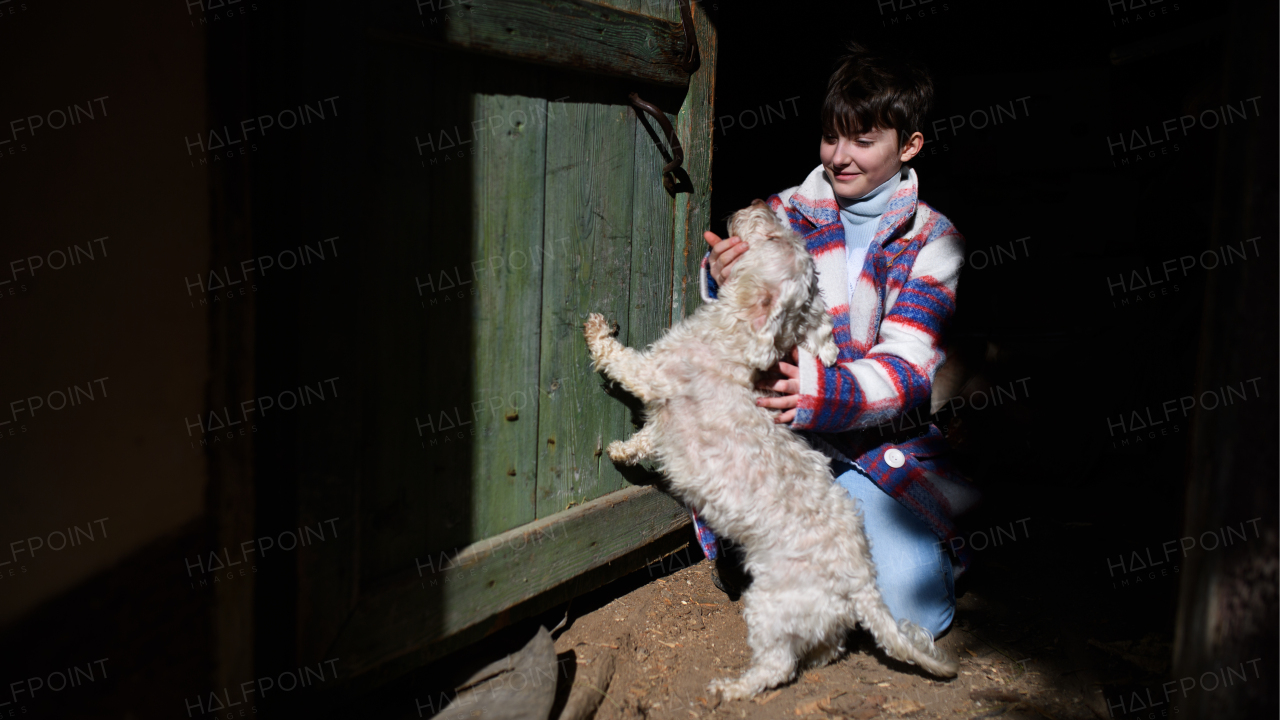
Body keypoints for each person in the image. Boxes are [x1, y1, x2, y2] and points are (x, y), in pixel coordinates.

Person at [693, 42, 980, 640]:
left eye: (863, 140)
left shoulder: (933, 241)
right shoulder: (782, 211)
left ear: (909, 146)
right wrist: (725, 277)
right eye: (830, 137)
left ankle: (926, 541)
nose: (839, 157)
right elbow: (736, 317)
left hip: (873, 446)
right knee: (762, 575)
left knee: (913, 614)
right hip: (779, 437)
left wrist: (822, 391)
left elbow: (907, 367)